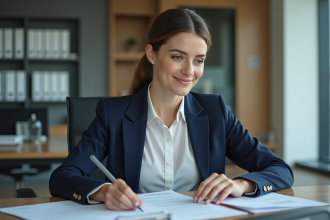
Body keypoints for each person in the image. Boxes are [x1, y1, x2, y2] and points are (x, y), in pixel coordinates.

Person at [49, 8, 293, 211]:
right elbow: (62, 177)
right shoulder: (113, 114)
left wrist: (241, 184)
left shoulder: (216, 111)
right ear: (151, 54)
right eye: (178, 57)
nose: (190, 71)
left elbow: (280, 170)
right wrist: (104, 192)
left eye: (199, 60)